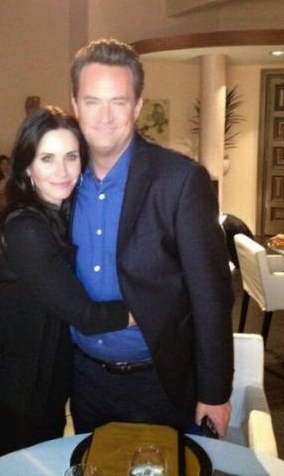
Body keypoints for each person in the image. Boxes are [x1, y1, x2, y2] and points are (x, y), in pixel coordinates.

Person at [69, 39, 234, 437]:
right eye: (92, 101)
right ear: (75, 106)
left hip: (160, 382)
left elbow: (211, 294)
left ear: (138, 106)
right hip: (84, 381)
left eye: (118, 101)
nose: (104, 116)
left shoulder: (179, 180)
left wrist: (214, 392)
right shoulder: (62, 182)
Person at [0, 106, 132, 463]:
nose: (63, 171)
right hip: (16, 408)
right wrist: (155, 307)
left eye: (71, 157)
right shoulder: (25, 227)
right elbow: (87, 316)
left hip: (45, 400)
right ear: (26, 166)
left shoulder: (57, 216)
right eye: (47, 158)